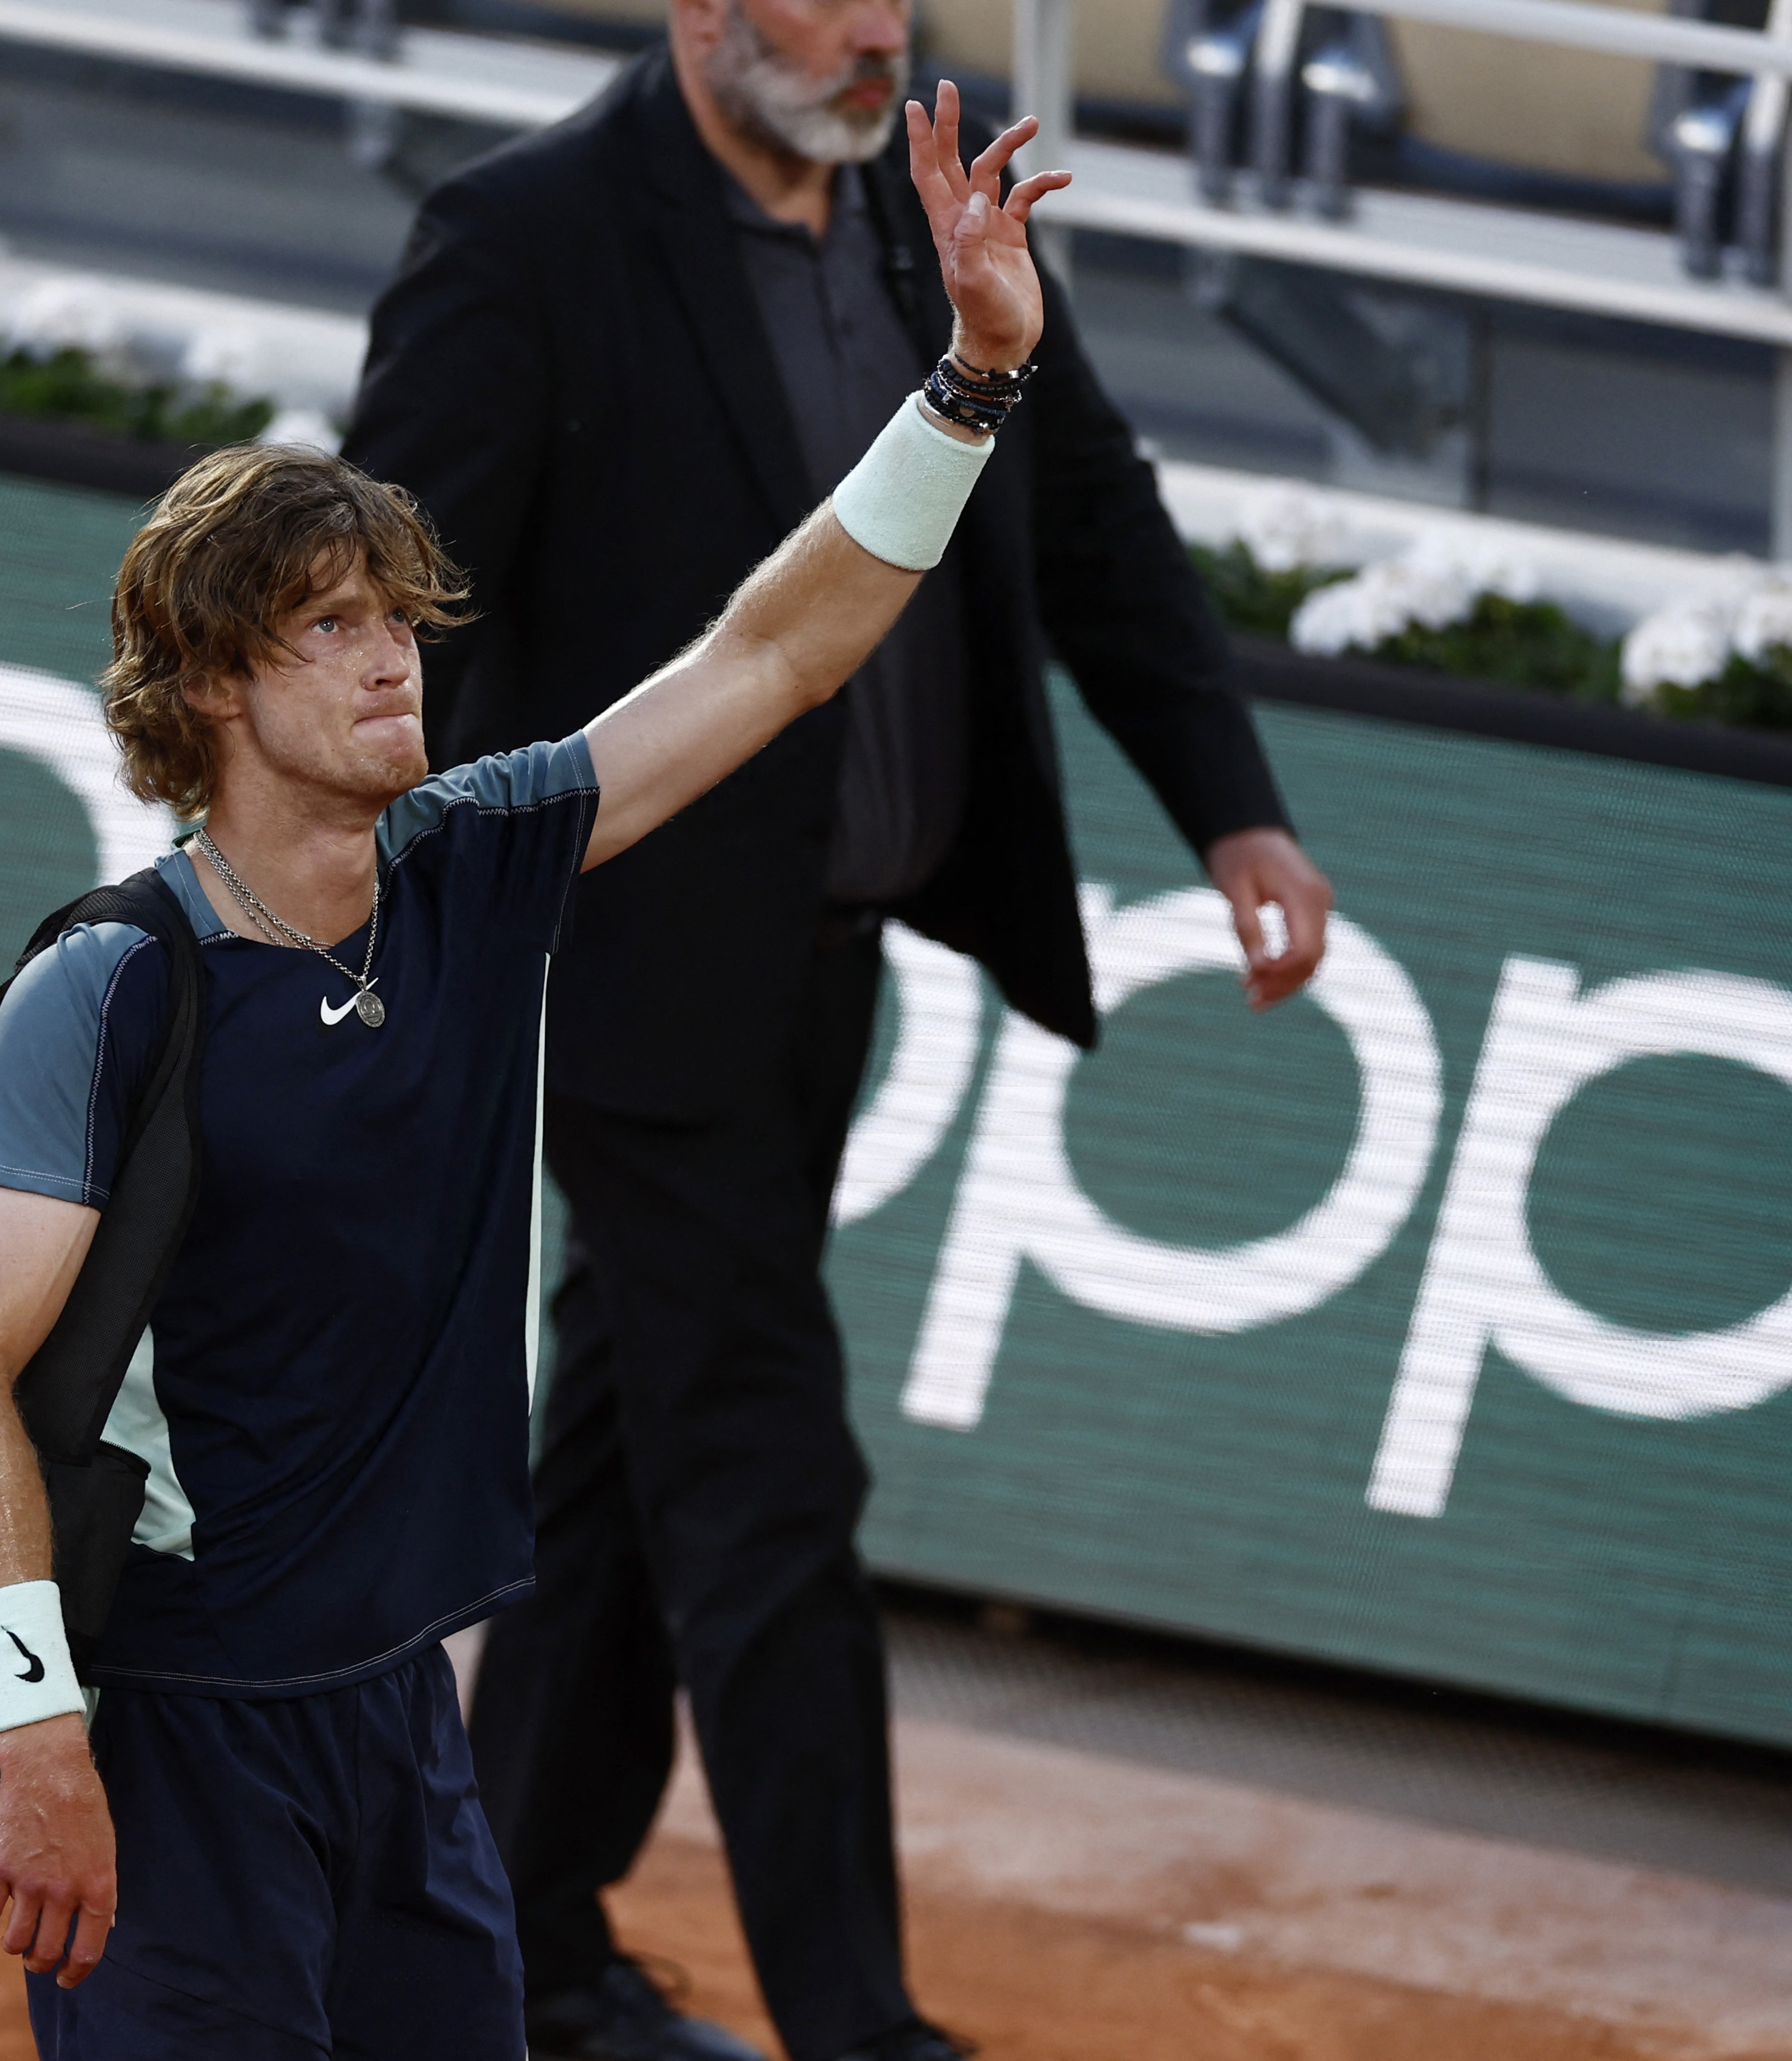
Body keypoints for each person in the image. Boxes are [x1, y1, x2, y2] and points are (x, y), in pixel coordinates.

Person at [0, 89, 1064, 2061]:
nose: (387, 663)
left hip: (395, 1721)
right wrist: (37, 1732)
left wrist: (971, 377)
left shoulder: (480, 860)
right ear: (207, 690)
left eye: (393, 622)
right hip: (177, 1735)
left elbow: (773, 654)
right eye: (325, 631)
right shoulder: (112, 984)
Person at [343, 6, 1337, 2060]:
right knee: (766, 1481)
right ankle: (859, 2028)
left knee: (621, 1460)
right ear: (704, 9)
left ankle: (499, 1947)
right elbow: (395, 613)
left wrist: (1227, 800)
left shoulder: (919, 225)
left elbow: (1086, 516)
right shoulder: (520, 235)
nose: (882, 29)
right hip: (616, 965)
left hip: (823, 962)